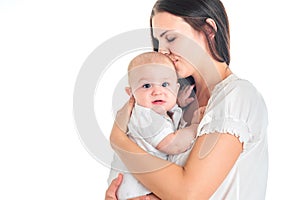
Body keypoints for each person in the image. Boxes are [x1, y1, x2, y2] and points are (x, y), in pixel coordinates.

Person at [106, 0, 268, 199]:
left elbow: (187, 194)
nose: (162, 50)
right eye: (159, 42)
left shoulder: (237, 96)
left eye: (171, 38)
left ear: (209, 30)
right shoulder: (174, 104)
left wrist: (119, 141)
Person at [108, 51, 204, 200]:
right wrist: (196, 126)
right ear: (131, 93)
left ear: (176, 89)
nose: (157, 91)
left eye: (165, 85)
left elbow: (166, 118)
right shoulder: (144, 115)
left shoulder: (158, 111)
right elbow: (172, 145)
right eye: (146, 86)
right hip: (136, 191)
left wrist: (178, 104)